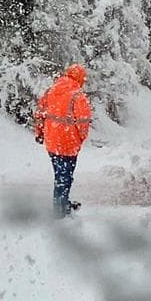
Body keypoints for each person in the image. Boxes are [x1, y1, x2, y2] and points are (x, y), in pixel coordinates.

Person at [33, 64, 92, 217]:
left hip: (52, 142)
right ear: (80, 78)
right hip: (69, 142)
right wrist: (80, 139)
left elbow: (39, 114)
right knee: (65, 176)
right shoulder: (78, 96)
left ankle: (62, 203)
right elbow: (83, 123)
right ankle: (60, 209)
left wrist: (40, 132)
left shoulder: (50, 91)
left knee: (59, 174)